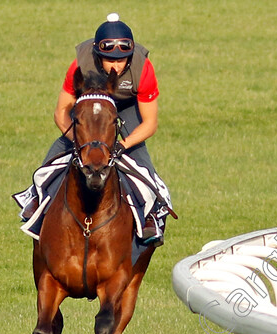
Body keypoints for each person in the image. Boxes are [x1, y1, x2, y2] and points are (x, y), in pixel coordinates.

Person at [15, 13, 171, 246]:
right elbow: (61, 112)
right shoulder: (79, 65)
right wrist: (78, 140)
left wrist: (121, 145)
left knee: (148, 173)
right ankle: (36, 200)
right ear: (98, 55)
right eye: (110, 60)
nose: (117, 66)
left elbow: (150, 122)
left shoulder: (143, 67)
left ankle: (151, 217)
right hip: (87, 111)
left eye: (122, 60)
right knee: (46, 166)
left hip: (126, 110)